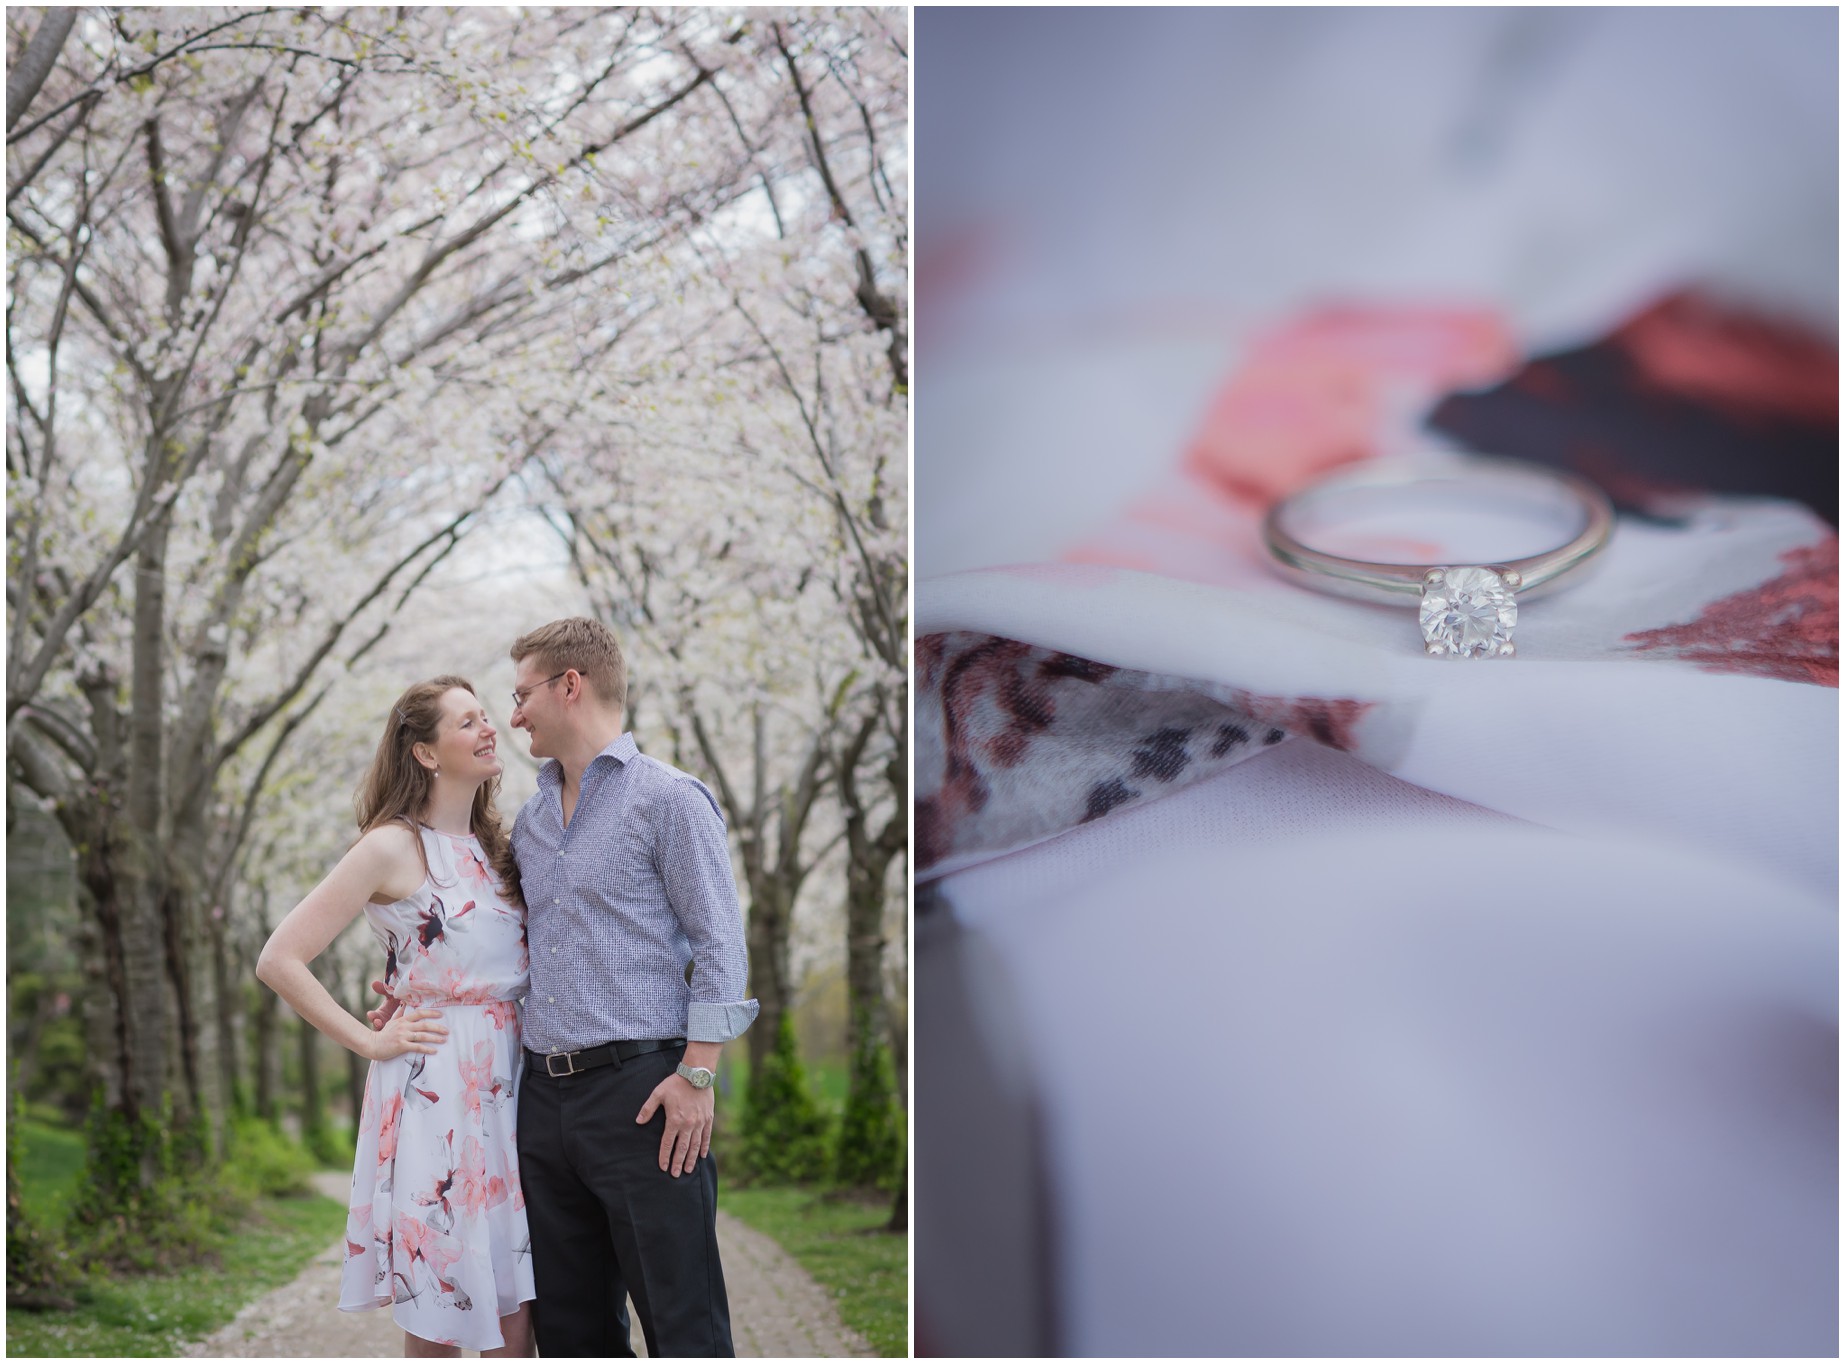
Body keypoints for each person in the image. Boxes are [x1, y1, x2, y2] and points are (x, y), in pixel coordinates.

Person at [377, 617, 758, 1356]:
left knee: (684, 1321)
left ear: (569, 686)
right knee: (573, 1333)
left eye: (520, 696)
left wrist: (698, 1073)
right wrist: (415, 987)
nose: (511, 715)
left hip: (645, 1096)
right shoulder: (530, 821)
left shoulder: (670, 800)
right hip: (540, 1104)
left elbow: (720, 945)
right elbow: (498, 945)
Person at [258, 676, 535, 1357]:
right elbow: (280, 958)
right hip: (436, 1086)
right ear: (426, 753)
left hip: (513, 1083)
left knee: (516, 1301)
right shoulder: (390, 846)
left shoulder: (499, 846)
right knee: (440, 1299)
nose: (488, 728)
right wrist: (368, 1041)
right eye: (467, 721)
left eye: (485, 716)